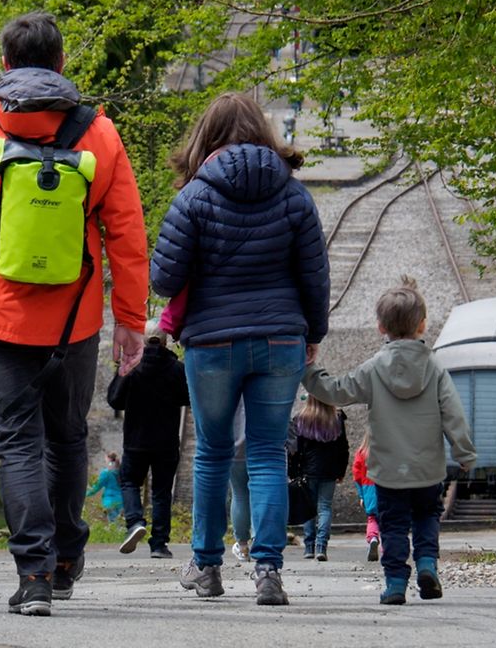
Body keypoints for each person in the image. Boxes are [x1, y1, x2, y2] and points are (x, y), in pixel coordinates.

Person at [0, 12, 149, 617]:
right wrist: (130, 319)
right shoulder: (100, 133)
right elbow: (126, 235)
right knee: (68, 439)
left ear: (5, 64)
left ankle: (36, 573)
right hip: (78, 321)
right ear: (63, 63)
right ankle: (67, 559)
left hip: (1, 317)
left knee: (18, 443)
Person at [151, 91, 330, 606]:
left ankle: (207, 568)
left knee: (211, 453)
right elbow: (314, 277)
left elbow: (165, 279)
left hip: (211, 344)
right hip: (280, 341)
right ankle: (269, 570)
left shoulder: (194, 197)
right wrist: (312, 333)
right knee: (269, 454)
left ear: (204, 137)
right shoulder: (294, 196)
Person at [303, 277, 476, 606]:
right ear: (423, 324)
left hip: (387, 469)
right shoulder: (435, 368)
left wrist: (308, 371)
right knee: (426, 516)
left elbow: (336, 390)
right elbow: (454, 413)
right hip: (428, 468)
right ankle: (427, 564)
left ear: (381, 327)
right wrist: (464, 451)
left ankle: (396, 582)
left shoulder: (373, 369)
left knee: (393, 524)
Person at [107, 320, 189, 559]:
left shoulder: (132, 367)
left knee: (129, 481)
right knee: (162, 491)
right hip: (166, 441)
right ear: (165, 341)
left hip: (136, 439)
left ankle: (134, 522)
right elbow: (188, 397)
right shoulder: (177, 368)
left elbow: (115, 400)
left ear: (142, 340)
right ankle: (159, 544)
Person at [287, 395, 348, 561]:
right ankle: (322, 546)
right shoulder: (336, 418)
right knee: (325, 507)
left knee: (309, 508)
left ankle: (309, 547)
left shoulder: (301, 418)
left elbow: (295, 449)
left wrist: (293, 472)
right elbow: (343, 447)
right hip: (330, 469)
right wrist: (341, 470)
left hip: (307, 471)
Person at [228, 400, 252, 562]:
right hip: (262, 448)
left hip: (235, 448)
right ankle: (261, 541)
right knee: (261, 493)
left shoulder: (228, 382)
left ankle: (243, 547)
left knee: (239, 495)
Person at [353, 435, 381, 562]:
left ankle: (373, 538)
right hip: (386, 488)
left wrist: (361, 495)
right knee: (388, 520)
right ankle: (387, 548)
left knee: (372, 519)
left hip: (369, 490)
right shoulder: (387, 450)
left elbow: (357, 476)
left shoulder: (362, 453)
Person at [85, 452, 124, 522]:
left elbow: (96, 488)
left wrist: (84, 494)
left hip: (110, 502)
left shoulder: (106, 473)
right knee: (122, 525)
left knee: (114, 526)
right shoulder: (122, 471)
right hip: (123, 502)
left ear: (108, 459)